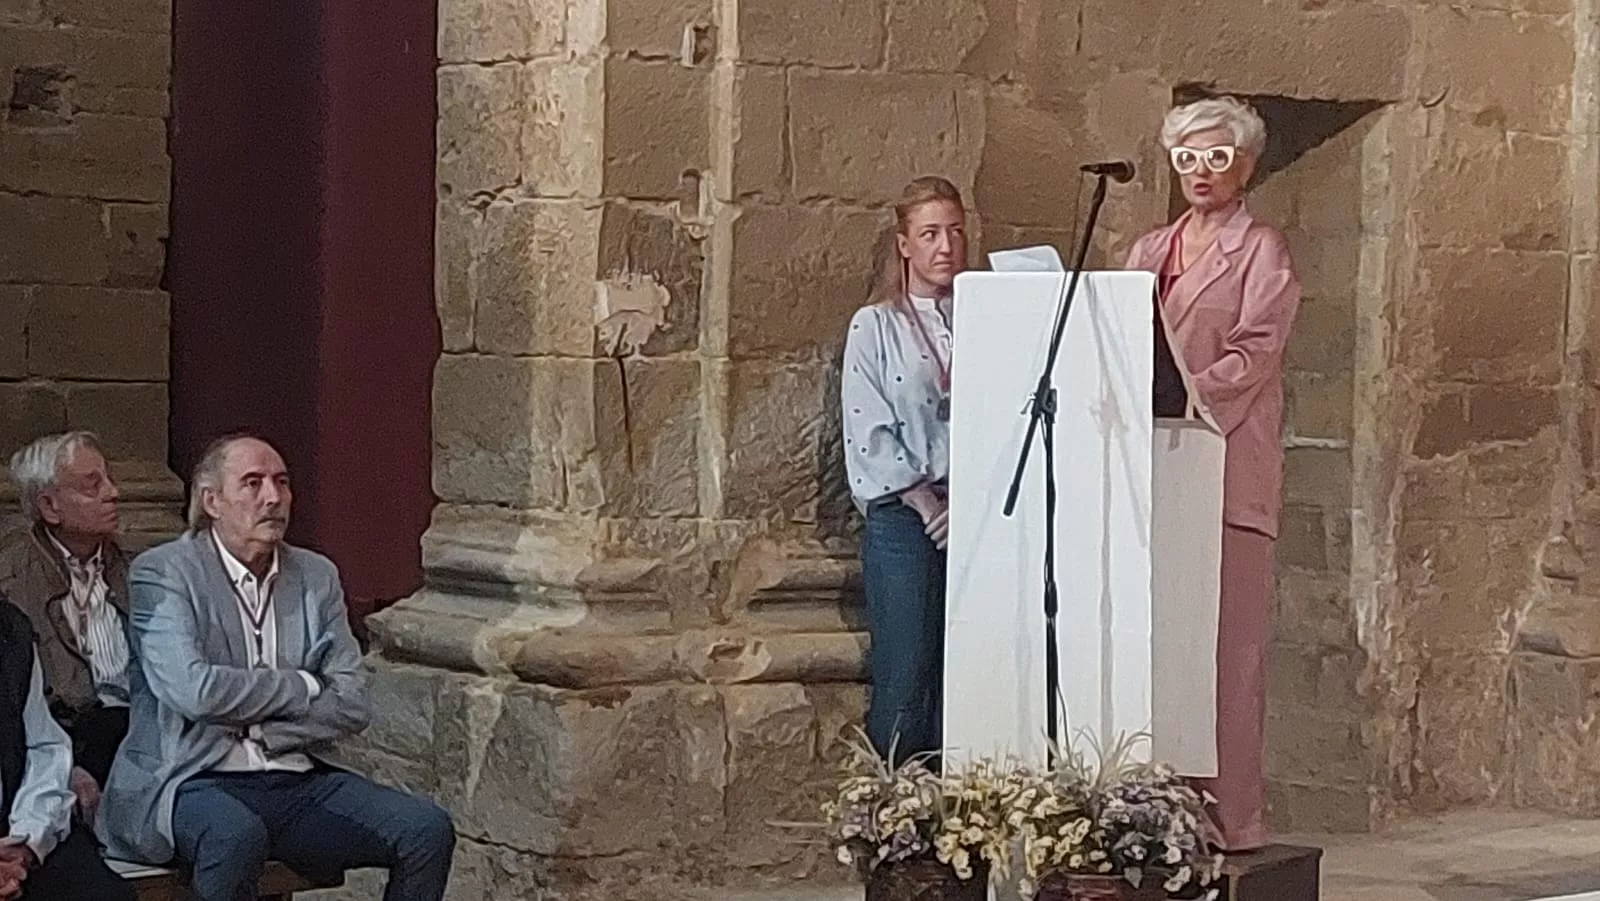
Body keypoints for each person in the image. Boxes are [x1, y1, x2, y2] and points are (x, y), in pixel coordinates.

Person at [98, 433, 456, 901]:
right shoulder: (164, 572)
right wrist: (303, 684)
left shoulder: (315, 575)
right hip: (189, 778)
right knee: (235, 836)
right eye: (252, 483)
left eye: (281, 482)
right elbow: (195, 691)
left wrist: (268, 732)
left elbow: (351, 701)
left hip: (295, 774)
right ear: (212, 501)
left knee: (425, 829)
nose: (273, 497)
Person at [1123, 95, 1302, 851]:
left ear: (1246, 165)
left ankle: (1232, 817)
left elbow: (1257, 351)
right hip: (1155, 472)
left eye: (1217, 158)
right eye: (1187, 158)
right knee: (1160, 643)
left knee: (1229, 651)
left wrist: (1193, 396)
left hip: (1227, 466)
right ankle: (1159, 811)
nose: (1200, 172)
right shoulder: (1145, 250)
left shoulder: (1263, 250)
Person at [841, 176, 967, 763]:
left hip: (969, 513)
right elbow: (867, 426)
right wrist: (925, 503)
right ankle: (890, 811)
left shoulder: (979, 319)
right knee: (906, 668)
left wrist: (966, 501)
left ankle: (952, 815)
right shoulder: (877, 325)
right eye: (931, 234)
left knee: (959, 673)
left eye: (955, 232)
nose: (946, 246)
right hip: (905, 517)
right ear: (904, 245)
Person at [0, 432, 132, 821]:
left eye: (109, 479)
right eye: (94, 485)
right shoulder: (10, 581)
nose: (114, 493)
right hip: (59, 734)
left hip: (132, 729)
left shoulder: (138, 571)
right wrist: (66, 765)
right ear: (50, 506)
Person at [0, 594, 135, 901]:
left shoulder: (10, 628)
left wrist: (28, 842)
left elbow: (44, 747)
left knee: (104, 895)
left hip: (13, 828)